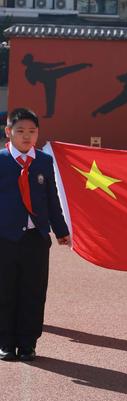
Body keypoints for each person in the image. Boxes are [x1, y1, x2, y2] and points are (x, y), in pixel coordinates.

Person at [0, 108, 70, 362]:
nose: (26, 137)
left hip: (36, 239)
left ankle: (28, 343)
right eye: (20, 131)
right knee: (5, 290)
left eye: (32, 131)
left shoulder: (43, 161)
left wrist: (60, 230)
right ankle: (6, 342)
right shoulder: (1, 160)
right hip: (5, 238)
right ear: (8, 132)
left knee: (33, 291)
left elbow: (52, 199)